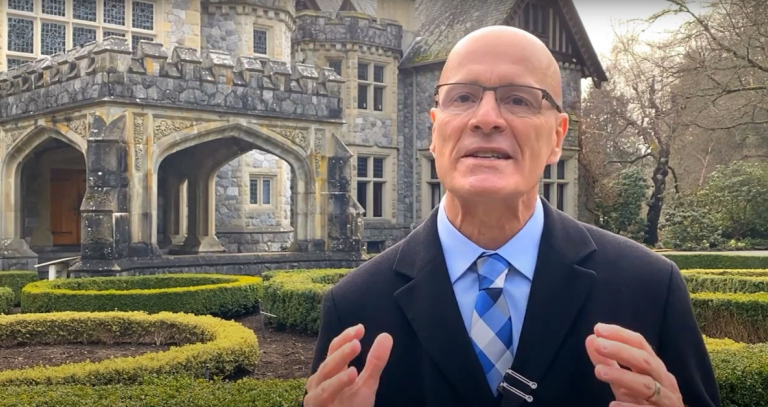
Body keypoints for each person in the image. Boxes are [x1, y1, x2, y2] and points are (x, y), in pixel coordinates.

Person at [302, 25, 720, 407]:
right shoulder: (354, 305)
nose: (485, 118)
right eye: (462, 97)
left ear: (557, 136)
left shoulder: (649, 288)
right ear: (435, 130)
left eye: (518, 99)